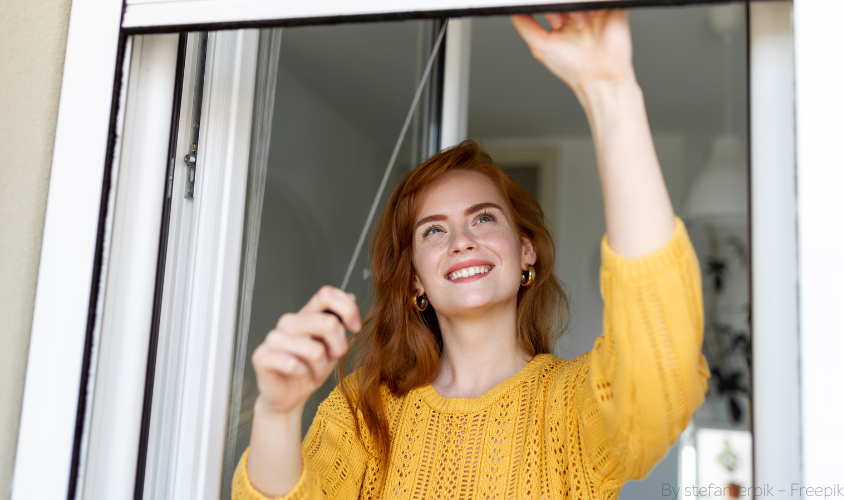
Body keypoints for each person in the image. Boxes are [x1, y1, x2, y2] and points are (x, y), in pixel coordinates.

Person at [233, 8, 710, 500]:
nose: (461, 240)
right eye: (432, 231)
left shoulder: (574, 406)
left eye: (484, 218)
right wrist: (278, 412)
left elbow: (662, 370)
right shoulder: (361, 411)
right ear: (415, 279)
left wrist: (611, 92)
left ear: (527, 252)